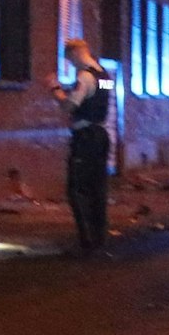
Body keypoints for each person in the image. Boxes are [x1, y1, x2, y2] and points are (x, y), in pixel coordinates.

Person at [51, 39, 113, 254]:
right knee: (98, 187)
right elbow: (98, 97)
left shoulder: (84, 76)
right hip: (101, 134)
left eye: (68, 58)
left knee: (77, 188)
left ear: (76, 53)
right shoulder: (104, 75)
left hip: (85, 136)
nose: (69, 63)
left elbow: (70, 105)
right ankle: (100, 236)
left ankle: (87, 240)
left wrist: (55, 90)